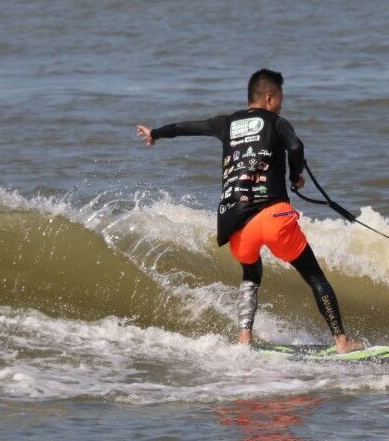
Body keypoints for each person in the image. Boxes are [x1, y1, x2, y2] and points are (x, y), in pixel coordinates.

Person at [137, 69, 363, 353]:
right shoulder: (277, 123)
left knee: (251, 273)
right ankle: (342, 342)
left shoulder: (225, 123)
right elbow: (295, 145)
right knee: (313, 275)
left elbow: (187, 127)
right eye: (280, 98)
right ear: (269, 97)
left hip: (237, 224)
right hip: (274, 217)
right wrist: (296, 175)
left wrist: (155, 133)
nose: (281, 104)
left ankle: (244, 340)